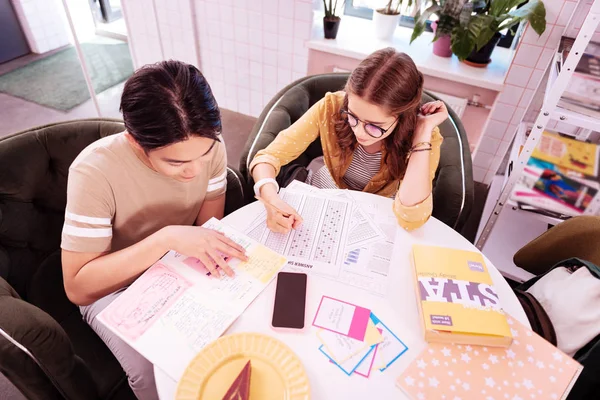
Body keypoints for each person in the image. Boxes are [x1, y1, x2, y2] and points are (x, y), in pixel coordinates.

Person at [60, 60, 247, 399]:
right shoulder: (93, 172)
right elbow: (78, 288)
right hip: (111, 285)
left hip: (178, 260)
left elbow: (207, 227)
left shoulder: (210, 148)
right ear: (135, 142)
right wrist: (166, 238)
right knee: (156, 370)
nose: (194, 171)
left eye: (202, 156)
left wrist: (183, 249)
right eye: (176, 163)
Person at [250, 48, 449, 233]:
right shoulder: (332, 106)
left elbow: (411, 218)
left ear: (402, 117)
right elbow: (267, 157)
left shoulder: (423, 134)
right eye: (352, 117)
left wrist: (422, 133)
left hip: (375, 215)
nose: (359, 132)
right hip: (321, 197)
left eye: (375, 126)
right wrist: (271, 200)